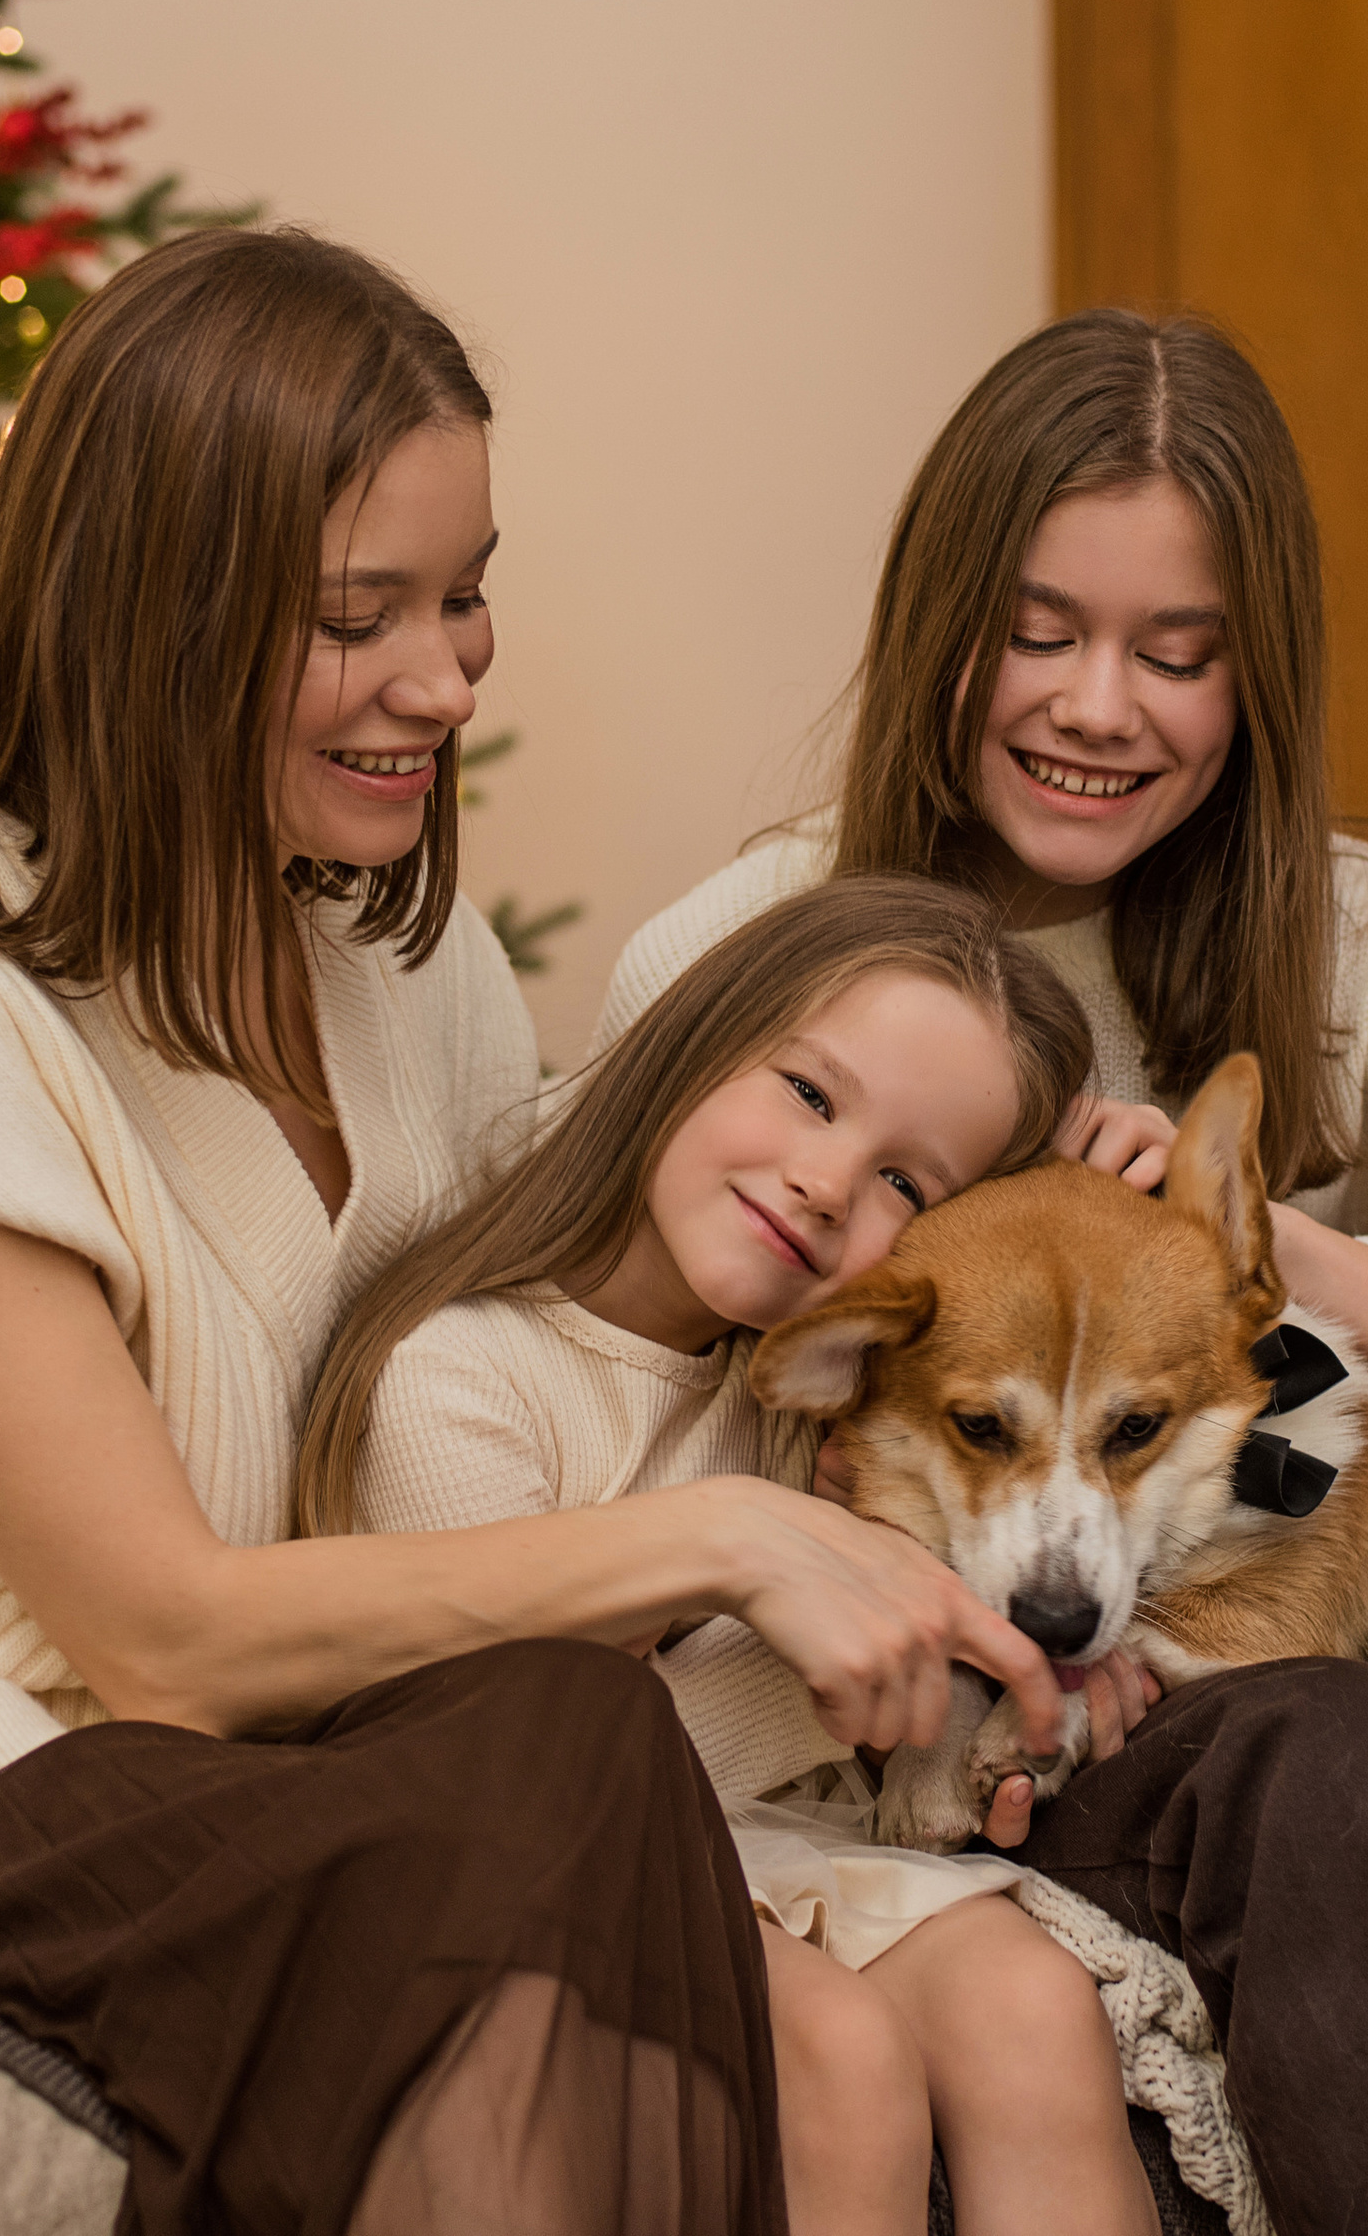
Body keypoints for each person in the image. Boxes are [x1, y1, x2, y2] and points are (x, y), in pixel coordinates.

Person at [0, 227, 1071, 2236]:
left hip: (266, 1764)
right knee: (554, 1741)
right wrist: (739, 1535)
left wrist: (1026, 1246)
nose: (445, 678)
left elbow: (610, 1265)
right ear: (156, 614)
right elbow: (154, 1636)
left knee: (576, 1740)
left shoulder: (382, 960)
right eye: (365, 614)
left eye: (468, 593)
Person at [594, 309, 1368, 2236]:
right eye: (1040, 631)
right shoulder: (753, 960)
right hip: (1079, 1693)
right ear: (941, 621)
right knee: (1332, 1757)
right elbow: (646, 1465)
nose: (1102, 707)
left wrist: (1297, 1268)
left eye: (1179, 655)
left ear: (1257, 680)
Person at [302, 876, 1159, 2236]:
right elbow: (542, 1770)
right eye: (812, 1096)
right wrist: (895, 1659)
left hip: (775, 1850)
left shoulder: (819, 1391)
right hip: (554, 1860)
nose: (827, 1184)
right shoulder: (463, 1376)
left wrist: (1034, 1677)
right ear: (691, 1043)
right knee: (843, 2059)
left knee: (1033, 2009)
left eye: (904, 1181)